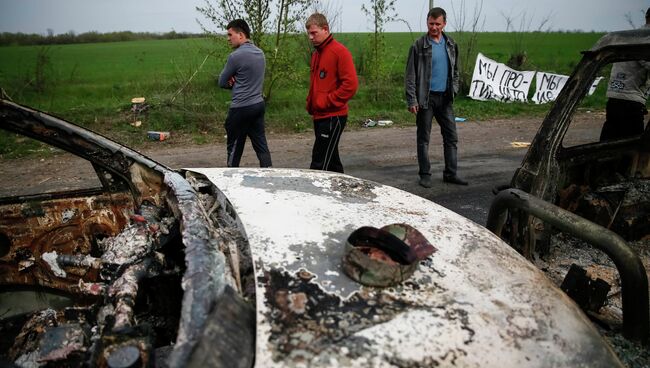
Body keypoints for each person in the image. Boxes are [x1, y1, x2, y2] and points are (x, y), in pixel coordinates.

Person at [405, 7, 467, 187]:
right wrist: (412, 100)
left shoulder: (451, 44)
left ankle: (451, 173)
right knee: (424, 138)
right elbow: (410, 75)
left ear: (444, 24)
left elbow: (456, 71)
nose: (434, 27)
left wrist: (454, 89)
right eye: (431, 23)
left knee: (451, 137)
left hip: (445, 98)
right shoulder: (418, 45)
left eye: (437, 24)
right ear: (427, 22)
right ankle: (425, 174)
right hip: (426, 99)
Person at [305, 13, 358, 173]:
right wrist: (311, 102)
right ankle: (342, 192)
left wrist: (327, 101)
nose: (310, 37)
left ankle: (313, 195)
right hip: (319, 115)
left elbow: (351, 85)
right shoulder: (316, 54)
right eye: (309, 33)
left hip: (333, 116)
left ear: (325, 29)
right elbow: (317, 84)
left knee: (319, 163)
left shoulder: (339, 52)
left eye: (314, 33)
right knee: (332, 161)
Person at [218, 19, 272, 167]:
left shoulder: (235, 57)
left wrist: (234, 82)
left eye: (230, 35)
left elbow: (222, 82)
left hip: (240, 109)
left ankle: (230, 179)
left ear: (241, 35)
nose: (228, 39)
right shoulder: (260, 53)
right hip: (258, 105)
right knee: (261, 146)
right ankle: (269, 175)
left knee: (234, 149)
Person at [600, 8, 650, 142]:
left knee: (608, 144)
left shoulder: (633, 36)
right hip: (631, 101)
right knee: (632, 146)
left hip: (614, 97)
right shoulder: (646, 39)